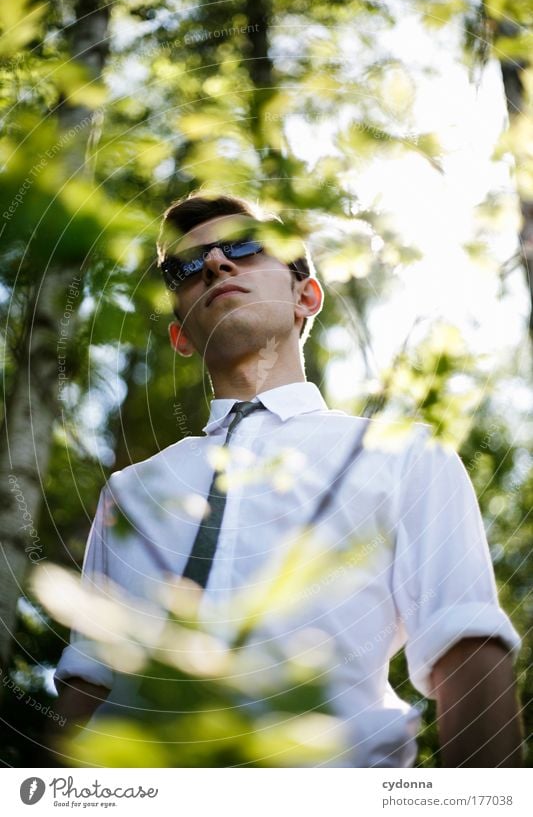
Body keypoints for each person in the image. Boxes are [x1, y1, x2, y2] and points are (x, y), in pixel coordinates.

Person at [53, 193, 523, 767]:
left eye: (246, 248)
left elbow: (466, 647)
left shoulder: (405, 457)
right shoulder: (128, 493)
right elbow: (88, 688)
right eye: (187, 266)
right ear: (181, 336)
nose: (216, 265)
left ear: (307, 296)